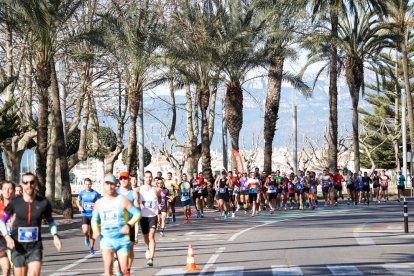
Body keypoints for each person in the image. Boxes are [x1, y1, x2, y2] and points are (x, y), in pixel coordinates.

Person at [0, 172, 62, 276]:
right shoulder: (15, 203)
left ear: (36, 184)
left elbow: (51, 222)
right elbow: (2, 222)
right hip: (18, 246)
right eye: (26, 182)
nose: (29, 185)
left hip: (35, 246)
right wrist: (7, 237)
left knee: (33, 274)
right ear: (22, 184)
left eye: (32, 182)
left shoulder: (43, 202)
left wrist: (55, 236)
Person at [91, 174, 141, 276]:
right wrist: (95, 230)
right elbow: (94, 219)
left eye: (112, 184)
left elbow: (137, 213)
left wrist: (128, 225)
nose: (109, 187)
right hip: (107, 239)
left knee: (124, 270)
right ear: (104, 185)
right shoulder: (99, 203)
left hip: (122, 240)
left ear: (116, 184)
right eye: (107, 184)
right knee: (108, 270)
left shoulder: (122, 200)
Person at [116, 172, 139, 273]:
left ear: (129, 180)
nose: (124, 180)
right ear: (119, 180)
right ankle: (119, 270)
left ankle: (127, 270)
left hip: (130, 224)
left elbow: (137, 209)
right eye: (122, 178)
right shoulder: (115, 193)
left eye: (126, 178)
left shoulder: (133, 193)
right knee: (117, 251)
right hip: (117, 225)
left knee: (130, 248)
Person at [139, 171, 161, 267]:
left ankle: (151, 258)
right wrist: (139, 205)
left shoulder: (156, 190)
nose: (148, 179)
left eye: (150, 177)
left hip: (153, 215)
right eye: (147, 177)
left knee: (151, 235)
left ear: (152, 178)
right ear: (144, 178)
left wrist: (159, 207)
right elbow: (136, 200)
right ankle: (148, 247)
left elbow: (160, 199)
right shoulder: (140, 190)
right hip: (143, 216)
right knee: (145, 236)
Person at [76, 178, 100, 255]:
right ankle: (86, 237)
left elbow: (99, 203)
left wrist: (95, 205)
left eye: (89, 184)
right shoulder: (82, 193)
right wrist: (79, 207)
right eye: (86, 184)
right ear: (84, 185)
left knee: (92, 233)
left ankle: (91, 248)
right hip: (85, 214)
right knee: (85, 231)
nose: (88, 186)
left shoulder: (95, 193)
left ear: (91, 184)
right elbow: (77, 201)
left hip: (93, 215)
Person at [0, 181, 15, 276]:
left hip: (16, 239)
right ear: (1, 191)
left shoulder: (19, 207)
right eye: (5, 189)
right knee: (6, 268)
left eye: (10, 189)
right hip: (1, 240)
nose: (7, 191)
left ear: (13, 191)